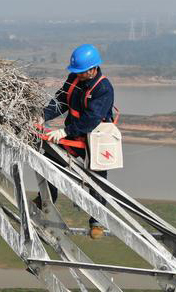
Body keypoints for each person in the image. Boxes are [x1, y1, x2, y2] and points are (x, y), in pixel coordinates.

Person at [38, 44, 114, 239]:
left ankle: (96, 222)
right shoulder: (74, 79)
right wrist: (43, 116)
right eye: (76, 72)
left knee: (97, 181)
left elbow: (91, 119)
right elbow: (61, 101)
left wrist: (64, 131)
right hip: (73, 134)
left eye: (81, 72)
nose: (78, 75)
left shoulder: (103, 89)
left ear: (93, 69)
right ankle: (46, 199)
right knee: (50, 160)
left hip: (95, 138)